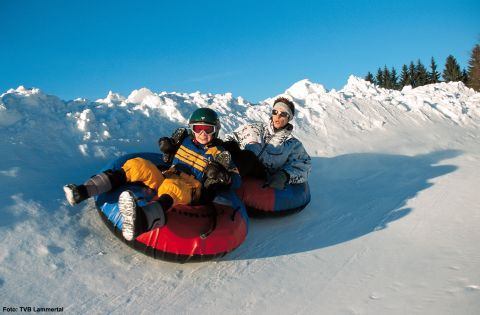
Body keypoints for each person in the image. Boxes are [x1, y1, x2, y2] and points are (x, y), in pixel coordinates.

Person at [63, 108, 239, 241]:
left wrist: (222, 175)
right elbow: (166, 156)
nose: (202, 133)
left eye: (207, 129)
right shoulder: (184, 140)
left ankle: (142, 221)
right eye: (198, 128)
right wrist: (168, 147)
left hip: (192, 188)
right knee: (138, 165)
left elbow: (236, 181)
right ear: (191, 128)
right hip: (168, 175)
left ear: (215, 130)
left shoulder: (220, 153)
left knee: (172, 187)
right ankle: (84, 191)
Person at [224, 97, 311, 190]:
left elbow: (304, 164)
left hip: (262, 176)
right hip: (241, 167)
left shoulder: (293, 144)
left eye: (283, 114)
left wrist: (283, 176)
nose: (278, 116)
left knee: (248, 156)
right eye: (275, 112)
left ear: (289, 118)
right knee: (230, 146)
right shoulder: (254, 128)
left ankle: (227, 181)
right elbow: (230, 137)